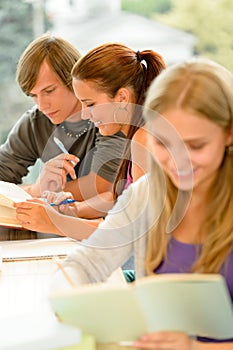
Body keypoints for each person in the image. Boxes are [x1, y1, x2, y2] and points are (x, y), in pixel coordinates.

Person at [50, 58, 233, 348]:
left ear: (228, 134)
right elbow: (86, 264)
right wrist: (67, 299)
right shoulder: (145, 196)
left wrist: (196, 348)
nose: (178, 161)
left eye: (196, 146)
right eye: (164, 143)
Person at [14, 42, 165, 239]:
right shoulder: (138, 134)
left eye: (90, 104)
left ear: (121, 97)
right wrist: (74, 209)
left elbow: (129, 232)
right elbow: (118, 198)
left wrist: (54, 223)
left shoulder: (145, 141)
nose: (85, 114)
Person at [0, 34, 126, 240]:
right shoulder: (35, 122)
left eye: (49, 91)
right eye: (33, 95)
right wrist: (35, 189)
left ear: (74, 81)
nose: (42, 105)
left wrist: (43, 193)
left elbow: (101, 186)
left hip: (102, 229)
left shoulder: (106, 117)